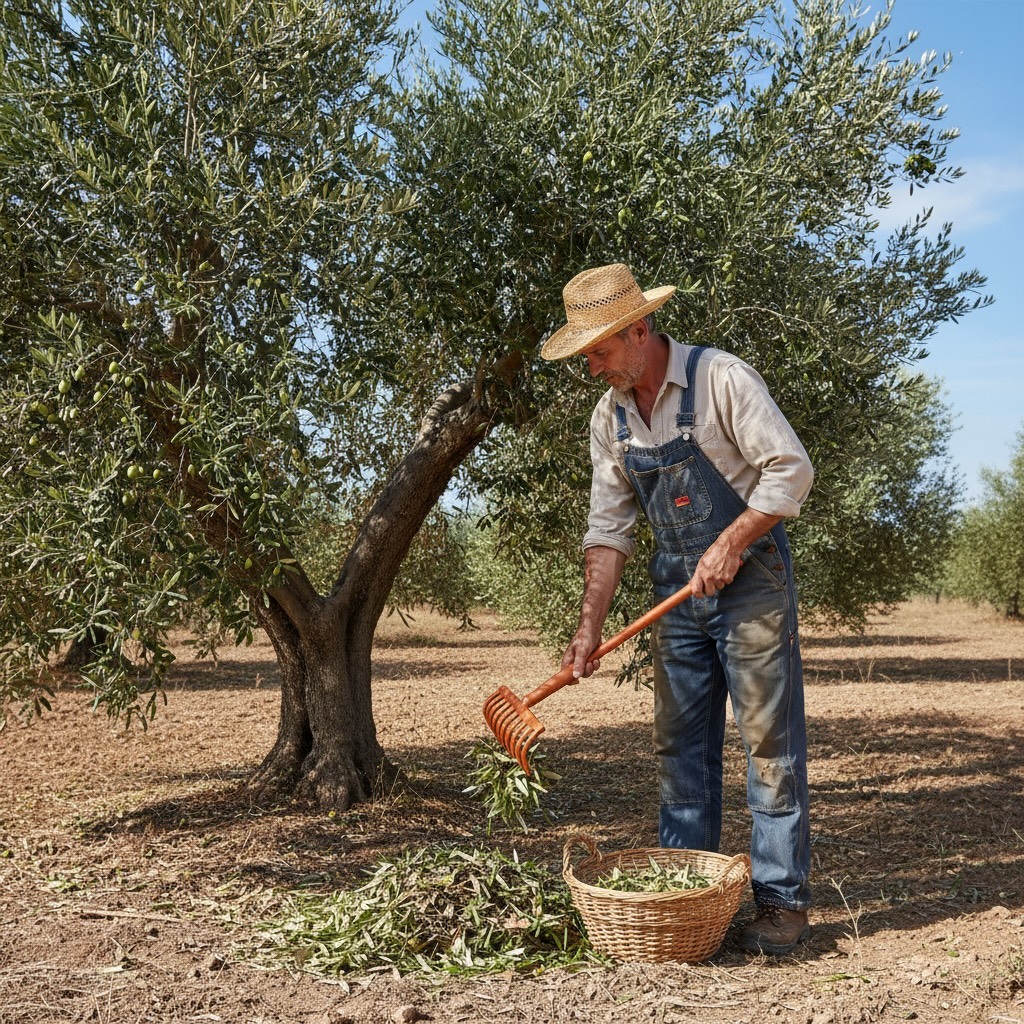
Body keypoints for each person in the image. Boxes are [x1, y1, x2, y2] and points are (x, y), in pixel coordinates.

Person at [541, 263, 814, 955]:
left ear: (639, 329)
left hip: (751, 581)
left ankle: (780, 903)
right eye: (586, 355)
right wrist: (588, 628)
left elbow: (790, 470)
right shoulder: (610, 418)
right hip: (676, 594)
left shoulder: (721, 378)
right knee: (681, 751)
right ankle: (688, 901)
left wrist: (730, 542)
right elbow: (608, 531)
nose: (594, 367)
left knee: (768, 748)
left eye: (599, 351)